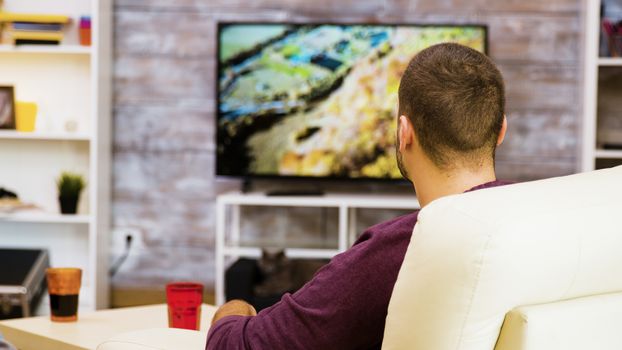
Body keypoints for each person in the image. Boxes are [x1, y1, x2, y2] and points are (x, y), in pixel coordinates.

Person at [206, 42, 510, 350]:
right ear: (501, 131)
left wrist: (231, 311)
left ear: (404, 133)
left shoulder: (388, 256)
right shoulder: (542, 226)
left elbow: (235, 346)